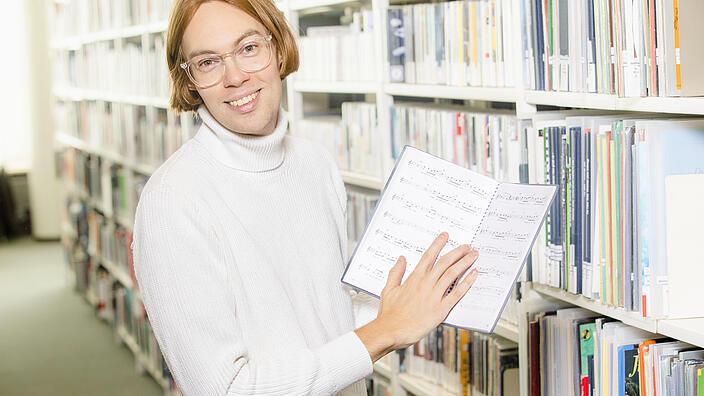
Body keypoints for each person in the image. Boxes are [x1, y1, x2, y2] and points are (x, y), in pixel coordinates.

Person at [132, 0, 480, 395]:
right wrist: (384, 332)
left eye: (248, 48)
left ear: (278, 48)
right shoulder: (172, 201)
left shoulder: (316, 163)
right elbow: (228, 390)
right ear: (189, 79)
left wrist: (418, 299)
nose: (235, 77)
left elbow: (327, 320)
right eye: (208, 62)